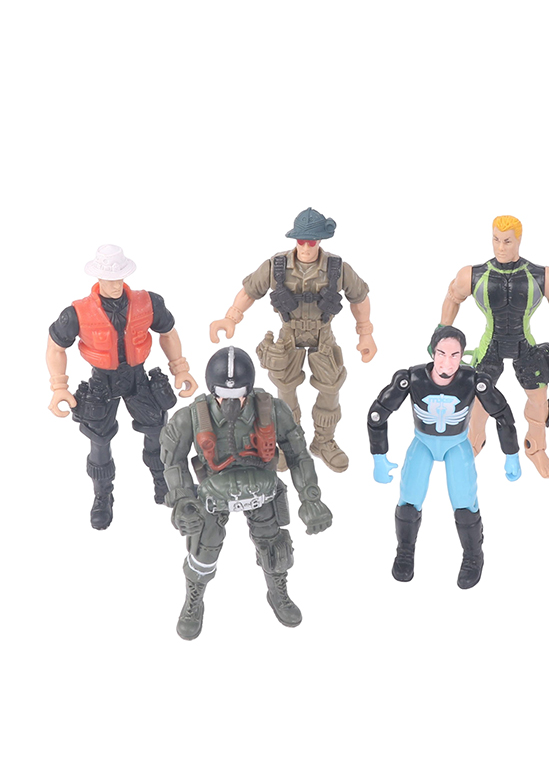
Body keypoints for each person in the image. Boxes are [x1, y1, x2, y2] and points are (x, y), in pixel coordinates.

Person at [160, 347, 332, 640]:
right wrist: (183, 501)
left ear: (249, 390)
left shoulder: (273, 411)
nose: (230, 402)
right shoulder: (191, 417)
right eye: (222, 394)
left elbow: (298, 454)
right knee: (203, 551)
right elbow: (172, 461)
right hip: (213, 493)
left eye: (238, 394)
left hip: (260, 490)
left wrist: (311, 497)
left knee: (274, 547)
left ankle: (277, 592)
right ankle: (193, 601)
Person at [209, 207, 377, 473]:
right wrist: (231, 317)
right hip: (289, 333)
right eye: (301, 241)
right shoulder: (276, 265)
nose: (306, 248)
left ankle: (324, 441)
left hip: (323, 333)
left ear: (320, 241)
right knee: (285, 389)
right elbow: (250, 291)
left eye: (312, 242)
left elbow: (360, 297)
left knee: (331, 387)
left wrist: (365, 333)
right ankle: (290, 442)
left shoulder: (337, 268)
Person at [46, 244, 198, 529]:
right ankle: (102, 495)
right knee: (99, 439)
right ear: (98, 277)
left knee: (157, 428)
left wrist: (180, 368)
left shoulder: (148, 302)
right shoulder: (76, 312)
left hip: (138, 377)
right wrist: (59, 386)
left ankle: (162, 481)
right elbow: (56, 347)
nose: (115, 285)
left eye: (119, 278)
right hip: (101, 381)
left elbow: (168, 333)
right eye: (109, 279)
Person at [368, 326, 520, 589]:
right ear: (432, 352)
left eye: (454, 355)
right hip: (423, 442)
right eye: (441, 353)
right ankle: (405, 550)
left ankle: (473, 555)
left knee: (464, 503)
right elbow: (378, 413)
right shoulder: (412, 378)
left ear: (462, 356)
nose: (447, 363)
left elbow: (503, 415)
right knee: (409, 498)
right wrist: (379, 455)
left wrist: (511, 454)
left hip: (457, 444)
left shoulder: (473, 381)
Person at [440, 215, 549, 478]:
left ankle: (535, 448)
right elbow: (452, 298)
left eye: (507, 241)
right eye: (496, 240)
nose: (500, 247)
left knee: (539, 399)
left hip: (524, 343)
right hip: (490, 345)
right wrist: (441, 333)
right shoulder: (473, 275)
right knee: (478, 396)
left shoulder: (541, 275)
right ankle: (472, 445)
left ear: (519, 241)